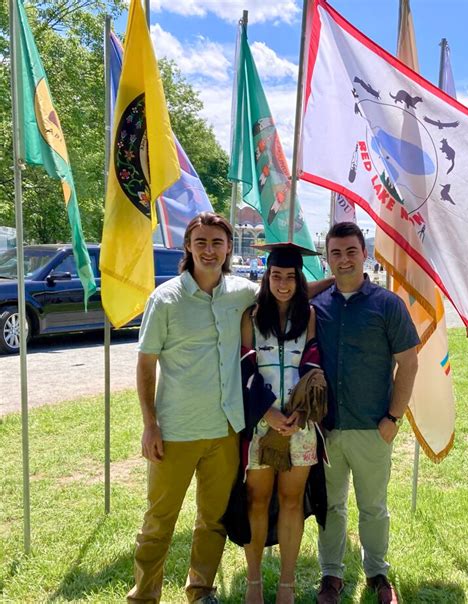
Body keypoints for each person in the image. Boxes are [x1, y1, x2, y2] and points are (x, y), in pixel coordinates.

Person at [127, 213, 332, 603]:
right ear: (188, 246)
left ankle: (201, 590)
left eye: (217, 243)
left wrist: (338, 281)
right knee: (159, 520)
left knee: (213, 519)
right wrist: (149, 424)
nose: (209, 250)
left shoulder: (240, 292)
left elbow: (286, 288)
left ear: (227, 249)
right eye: (201, 242)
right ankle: (144, 595)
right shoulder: (165, 298)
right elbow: (145, 363)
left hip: (225, 428)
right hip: (176, 429)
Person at [311, 222, 420, 604]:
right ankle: (331, 575)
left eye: (350, 252)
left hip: (374, 427)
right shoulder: (316, 307)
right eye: (336, 253)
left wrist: (394, 418)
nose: (343, 260)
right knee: (331, 506)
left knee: (373, 506)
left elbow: (408, 363)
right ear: (327, 257)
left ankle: (376, 572)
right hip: (327, 429)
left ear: (364, 253)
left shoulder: (387, 305)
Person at [238, 243, 327, 604]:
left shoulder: (308, 316)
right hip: (261, 424)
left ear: (299, 280)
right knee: (256, 501)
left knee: (292, 502)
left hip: (300, 424)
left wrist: (300, 412)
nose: (284, 284)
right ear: (267, 276)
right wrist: (267, 412)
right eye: (277, 276)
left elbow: (312, 361)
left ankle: (287, 586)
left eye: (291, 277)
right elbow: (244, 366)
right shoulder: (251, 316)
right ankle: (254, 583)